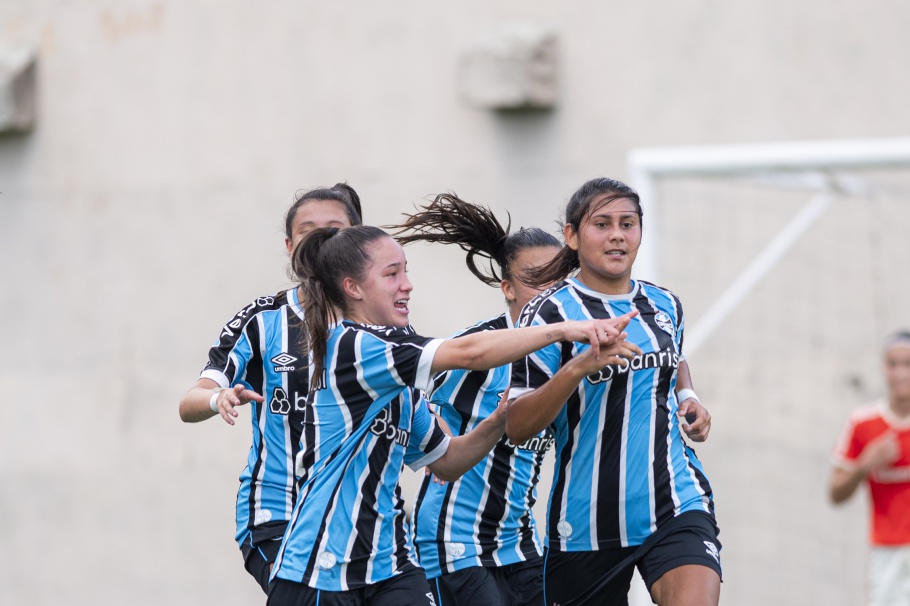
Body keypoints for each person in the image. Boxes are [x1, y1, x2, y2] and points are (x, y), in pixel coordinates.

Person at [267, 224, 639, 606]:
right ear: (353, 288)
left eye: (406, 270)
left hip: (389, 567)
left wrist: (497, 420)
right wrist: (564, 327)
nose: (408, 284)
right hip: (319, 569)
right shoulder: (354, 346)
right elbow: (470, 354)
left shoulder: (401, 374)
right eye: (392, 274)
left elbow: (446, 461)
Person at [391, 194, 714, 606]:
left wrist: (687, 393)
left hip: (520, 541)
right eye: (535, 278)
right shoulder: (477, 350)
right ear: (506, 288)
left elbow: (664, 351)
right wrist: (430, 448)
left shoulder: (575, 339)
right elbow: (404, 394)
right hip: (458, 545)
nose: (550, 288)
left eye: (556, 276)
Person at [505, 177, 721, 606]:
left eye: (628, 223)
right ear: (572, 235)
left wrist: (687, 398)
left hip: (674, 500)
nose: (618, 234)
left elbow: (672, 356)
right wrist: (579, 368)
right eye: (602, 224)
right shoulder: (548, 314)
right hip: (585, 522)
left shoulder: (665, 305)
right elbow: (517, 425)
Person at [178, 184, 363, 594]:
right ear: (289, 244)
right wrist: (217, 397)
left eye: (333, 228)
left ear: (357, 237)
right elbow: (189, 403)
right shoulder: (263, 319)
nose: (320, 238)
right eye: (307, 229)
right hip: (277, 514)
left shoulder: (380, 324)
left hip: (359, 520)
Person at [830, 331, 910, 606]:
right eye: (893, 364)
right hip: (886, 551)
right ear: (884, 367)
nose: (900, 373)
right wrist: (865, 464)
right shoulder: (863, 423)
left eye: (907, 364)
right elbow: (835, 493)